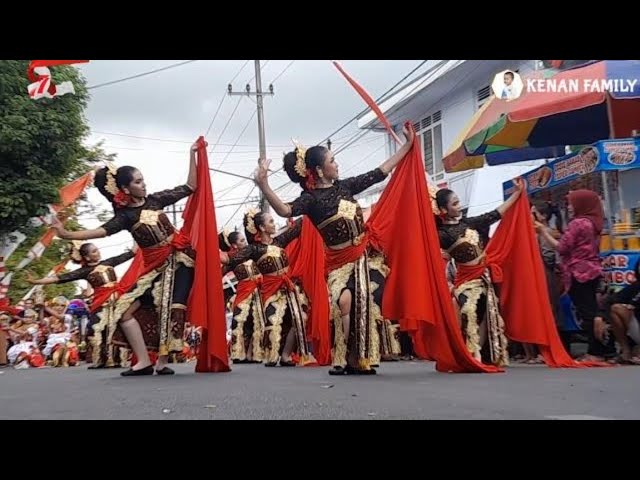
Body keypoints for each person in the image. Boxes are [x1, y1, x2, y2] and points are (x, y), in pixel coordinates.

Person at [254, 125, 415, 375]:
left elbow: (380, 172)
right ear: (319, 170)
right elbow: (286, 210)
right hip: (339, 263)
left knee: (367, 299)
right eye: (332, 160)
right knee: (344, 302)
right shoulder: (311, 200)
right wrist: (264, 186)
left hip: (366, 257)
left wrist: (406, 146)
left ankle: (359, 356)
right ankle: (346, 357)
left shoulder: (345, 187)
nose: (337, 164)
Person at [51, 143, 199, 376]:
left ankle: (161, 362)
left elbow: (191, 186)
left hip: (180, 261)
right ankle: (143, 361)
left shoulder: (156, 200)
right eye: (138, 182)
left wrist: (192, 154)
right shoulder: (126, 216)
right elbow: (101, 231)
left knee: (171, 307)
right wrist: (67, 234)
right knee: (123, 310)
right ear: (125, 189)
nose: (144, 184)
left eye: (143, 180)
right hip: (153, 268)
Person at [435, 182, 523, 365]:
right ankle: (471, 355)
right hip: (464, 280)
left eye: (458, 202)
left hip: (484, 276)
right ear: (444, 209)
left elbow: (495, 214)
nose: (459, 206)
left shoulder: (469, 223)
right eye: (455, 204)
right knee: (469, 312)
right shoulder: (441, 234)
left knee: (485, 315)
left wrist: (516, 195)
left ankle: (479, 355)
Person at [222, 211, 315, 367]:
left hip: (288, 287)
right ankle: (272, 355)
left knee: (300, 319)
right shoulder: (253, 249)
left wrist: (311, 208)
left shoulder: (280, 240)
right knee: (273, 321)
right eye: (271, 221)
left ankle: (286, 355)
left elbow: (300, 225)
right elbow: (231, 259)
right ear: (262, 227)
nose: (274, 224)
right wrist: (208, 248)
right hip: (272, 290)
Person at [26, 242, 135, 369]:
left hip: (116, 299)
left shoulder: (109, 262)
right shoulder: (85, 271)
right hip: (100, 301)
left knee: (115, 328)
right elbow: (59, 278)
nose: (98, 252)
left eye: (97, 250)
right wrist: (36, 281)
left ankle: (116, 359)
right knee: (96, 329)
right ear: (87, 257)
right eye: (94, 251)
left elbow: (131, 253)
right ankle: (101, 359)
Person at [536, 189, 616, 361]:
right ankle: (606, 349)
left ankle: (596, 352)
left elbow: (562, 247)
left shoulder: (578, 223)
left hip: (578, 273)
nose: (569, 207)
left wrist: (542, 231)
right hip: (592, 270)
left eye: (572, 203)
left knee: (587, 314)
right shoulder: (593, 222)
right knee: (593, 312)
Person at [219, 229, 265, 364]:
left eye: (244, 239)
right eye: (241, 240)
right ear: (234, 245)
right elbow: (219, 275)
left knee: (256, 322)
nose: (245, 242)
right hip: (243, 292)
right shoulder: (231, 258)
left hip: (257, 292)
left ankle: (253, 353)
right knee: (239, 322)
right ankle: (238, 353)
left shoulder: (252, 253)